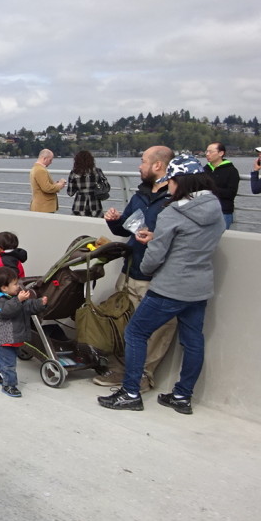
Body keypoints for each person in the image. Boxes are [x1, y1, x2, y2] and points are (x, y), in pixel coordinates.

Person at [98, 155, 225, 414]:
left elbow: (154, 258)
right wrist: (160, 237)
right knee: (193, 341)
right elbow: (193, 240)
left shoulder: (173, 211)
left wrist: (150, 254)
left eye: (172, 182)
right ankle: (182, 397)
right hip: (199, 287)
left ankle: (131, 392)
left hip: (169, 287)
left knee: (135, 333)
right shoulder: (215, 209)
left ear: (180, 182)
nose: (171, 187)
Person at [96, 146, 176, 391]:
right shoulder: (140, 194)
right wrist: (114, 221)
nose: (139, 166)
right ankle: (120, 370)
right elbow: (126, 228)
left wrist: (155, 238)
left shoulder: (175, 198)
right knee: (124, 326)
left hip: (158, 277)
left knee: (155, 330)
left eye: (142, 161)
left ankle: (143, 375)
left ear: (157, 165)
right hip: (131, 269)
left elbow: (180, 237)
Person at [0, 266, 48, 398]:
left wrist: (40, 303)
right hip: (5, 337)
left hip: (14, 336)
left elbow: (28, 306)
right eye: (15, 284)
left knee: (3, 360)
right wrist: (18, 300)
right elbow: (7, 311)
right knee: (9, 364)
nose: (18, 286)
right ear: (4, 288)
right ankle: (9, 385)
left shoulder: (14, 297)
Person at [203, 142, 239, 229]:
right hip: (204, 211)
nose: (207, 154)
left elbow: (231, 193)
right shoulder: (204, 170)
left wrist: (211, 190)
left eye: (211, 152)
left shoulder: (231, 171)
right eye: (206, 152)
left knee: (222, 240)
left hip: (223, 212)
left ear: (221, 153)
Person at [66, 150, 110, 217]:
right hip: (95, 204)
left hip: (79, 205)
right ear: (91, 160)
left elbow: (70, 193)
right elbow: (107, 186)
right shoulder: (97, 171)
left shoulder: (74, 173)